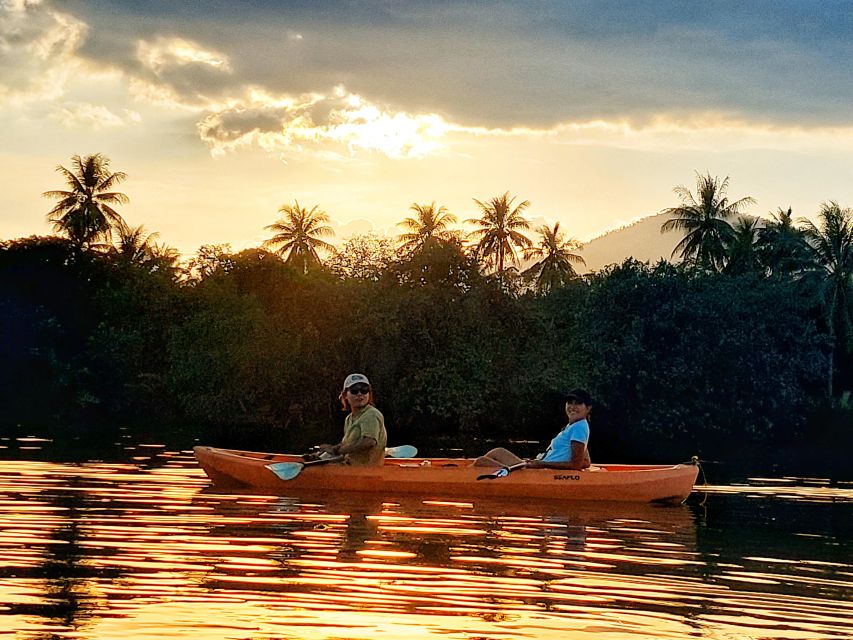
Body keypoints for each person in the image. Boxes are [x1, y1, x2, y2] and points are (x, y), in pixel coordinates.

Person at [474, 388, 593, 470]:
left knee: (481, 461)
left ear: (588, 408)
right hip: (541, 466)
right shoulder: (575, 426)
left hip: (544, 471)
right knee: (497, 452)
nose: (572, 407)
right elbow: (586, 462)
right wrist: (538, 462)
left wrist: (541, 464)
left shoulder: (579, 428)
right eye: (569, 403)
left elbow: (576, 464)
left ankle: (464, 478)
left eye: (578, 403)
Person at [317, 373, 388, 466]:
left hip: (364, 472)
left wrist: (340, 451)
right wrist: (331, 449)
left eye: (364, 390)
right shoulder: (349, 419)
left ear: (369, 394)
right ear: (345, 395)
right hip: (348, 466)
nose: (359, 394)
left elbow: (369, 442)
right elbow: (345, 445)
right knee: (317, 459)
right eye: (354, 390)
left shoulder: (371, 414)